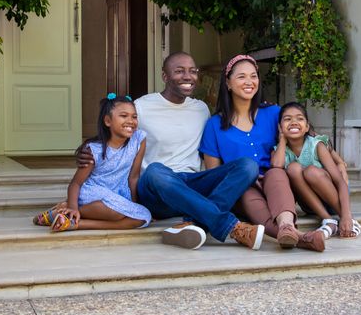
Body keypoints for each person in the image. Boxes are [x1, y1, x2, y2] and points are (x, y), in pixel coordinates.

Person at [77, 53, 264, 250]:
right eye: (179, 71)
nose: (188, 76)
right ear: (165, 77)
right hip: (155, 189)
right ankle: (231, 227)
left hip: (190, 185)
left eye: (192, 71)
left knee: (248, 166)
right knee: (157, 170)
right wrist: (89, 147)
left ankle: (194, 225)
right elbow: (118, 128)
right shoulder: (142, 106)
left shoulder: (201, 109)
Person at [199, 55, 325, 252]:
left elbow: (309, 139)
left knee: (276, 173)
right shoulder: (214, 125)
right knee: (248, 193)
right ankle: (300, 237)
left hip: (275, 182)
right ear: (228, 83)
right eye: (241, 77)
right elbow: (214, 174)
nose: (249, 82)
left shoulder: (274, 113)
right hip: (242, 186)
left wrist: (336, 163)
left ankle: (286, 226)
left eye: (253, 76)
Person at [34, 94, 151, 232]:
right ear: (108, 121)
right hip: (93, 193)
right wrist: (73, 207)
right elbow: (76, 183)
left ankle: (75, 223)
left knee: (143, 217)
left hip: (117, 194)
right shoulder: (94, 150)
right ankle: (66, 210)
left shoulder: (139, 139)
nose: (130, 121)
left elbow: (133, 177)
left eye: (134, 116)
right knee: (115, 212)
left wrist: (133, 205)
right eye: (124, 116)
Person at [271, 102, 361, 238]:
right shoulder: (279, 151)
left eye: (300, 119)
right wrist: (282, 139)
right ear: (280, 127)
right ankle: (328, 220)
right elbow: (276, 165)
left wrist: (346, 215)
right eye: (287, 119)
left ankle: (349, 221)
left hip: (334, 199)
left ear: (307, 127)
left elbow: (340, 182)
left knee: (311, 171)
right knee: (293, 168)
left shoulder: (317, 145)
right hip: (310, 205)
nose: (294, 122)